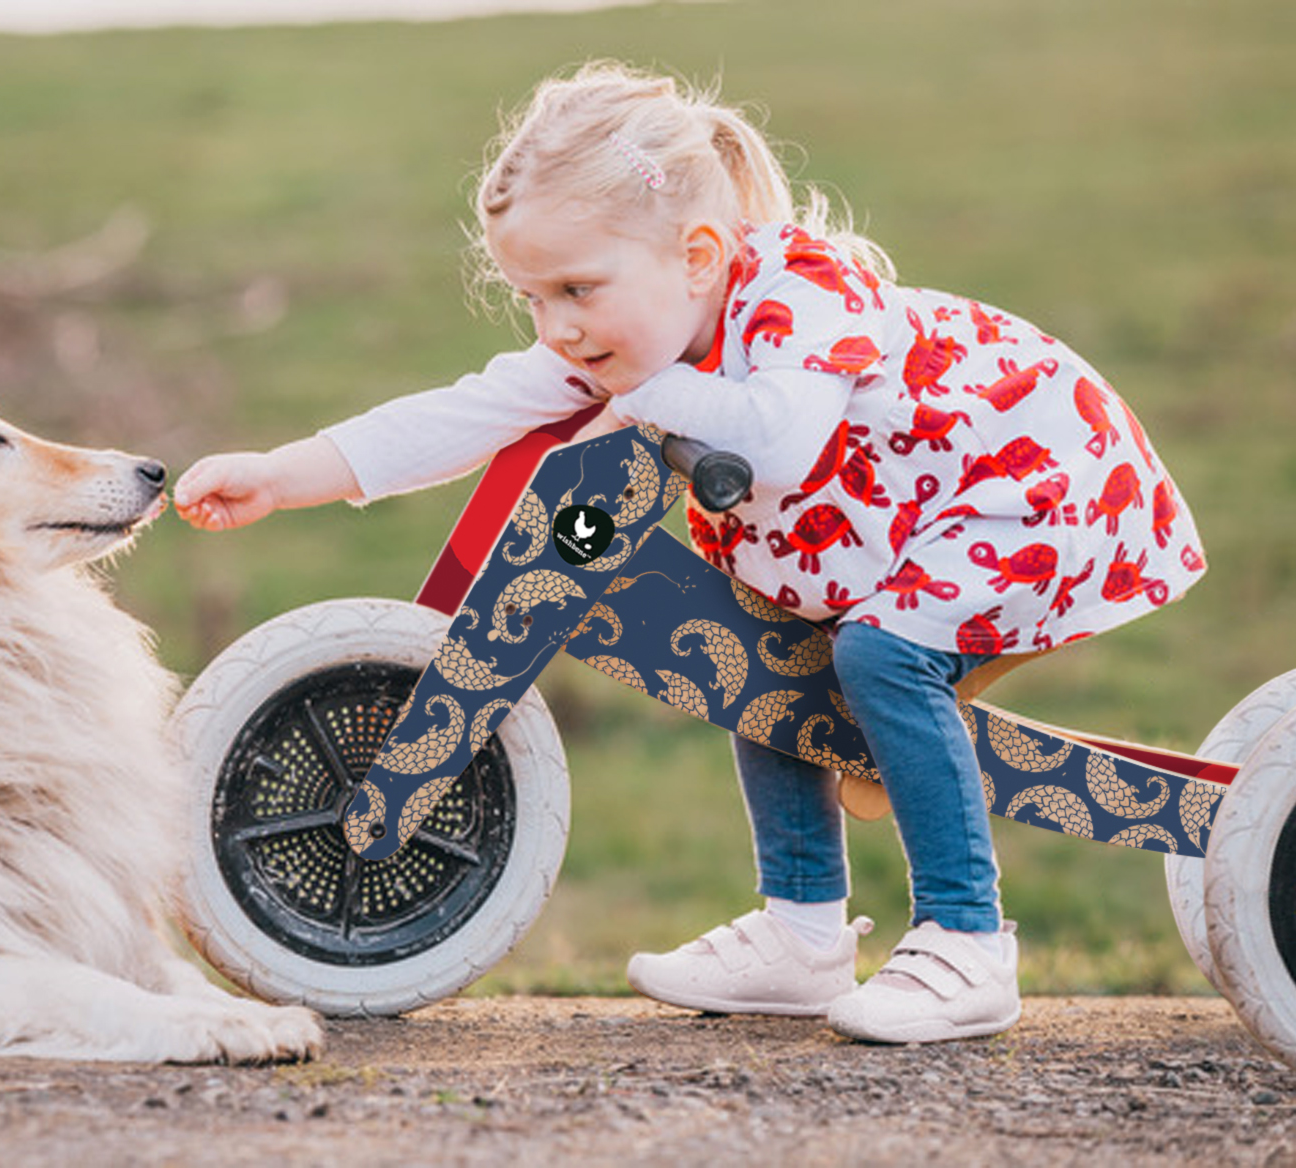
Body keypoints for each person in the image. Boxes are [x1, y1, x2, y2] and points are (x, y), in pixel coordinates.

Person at [174, 61, 1205, 1044]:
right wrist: (287, 470)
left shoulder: (800, 290)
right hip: (893, 524)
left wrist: (634, 396)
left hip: (1024, 484)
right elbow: (470, 410)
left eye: (576, 289)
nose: (557, 328)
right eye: (533, 299)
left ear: (698, 255)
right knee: (757, 653)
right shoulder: (639, 333)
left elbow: (783, 438)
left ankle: (965, 943)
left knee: (880, 658)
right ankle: (801, 933)